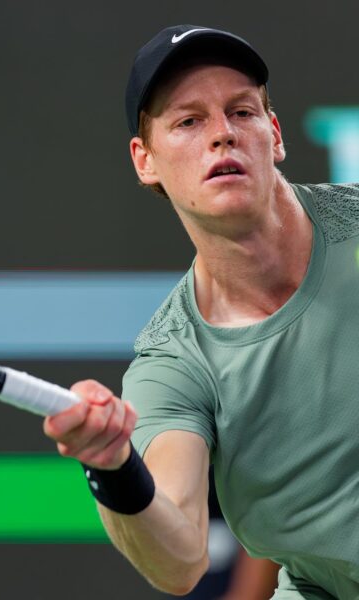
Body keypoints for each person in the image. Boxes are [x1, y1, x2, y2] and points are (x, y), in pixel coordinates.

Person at [44, 24, 359, 599]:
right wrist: (113, 466)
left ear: (275, 134)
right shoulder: (173, 361)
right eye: (189, 121)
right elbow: (180, 560)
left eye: (241, 112)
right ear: (146, 161)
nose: (222, 135)